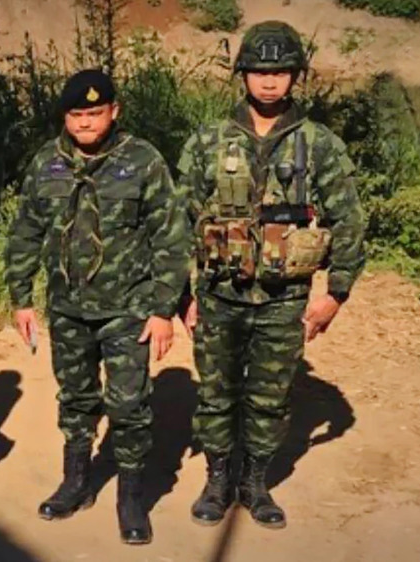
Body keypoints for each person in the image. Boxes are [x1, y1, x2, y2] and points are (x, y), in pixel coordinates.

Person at [177, 21, 366, 529]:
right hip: (218, 295)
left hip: (284, 299)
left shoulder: (319, 144)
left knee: (270, 397)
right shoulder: (209, 141)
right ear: (242, 74)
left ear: (295, 76)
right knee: (215, 394)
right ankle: (218, 481)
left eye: (280, 71)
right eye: (259, 71)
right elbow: (176, 221)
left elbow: (348, 220)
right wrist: (180, 297)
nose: (269, 81)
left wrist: (335, 295)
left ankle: (255, 483)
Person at [4, 69, 191, 545]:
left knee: (128, 405)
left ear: (114, 111)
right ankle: (76, 481)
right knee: (76, 399)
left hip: (129, 309)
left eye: (94, 112)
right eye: (75, 114)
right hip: (68, 309)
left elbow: (170, 239)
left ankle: (131, 496)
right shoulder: (47, 163)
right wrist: (21, 298)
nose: (85, 122)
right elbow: (25, 231)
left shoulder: (142, 161)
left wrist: (163, 309)